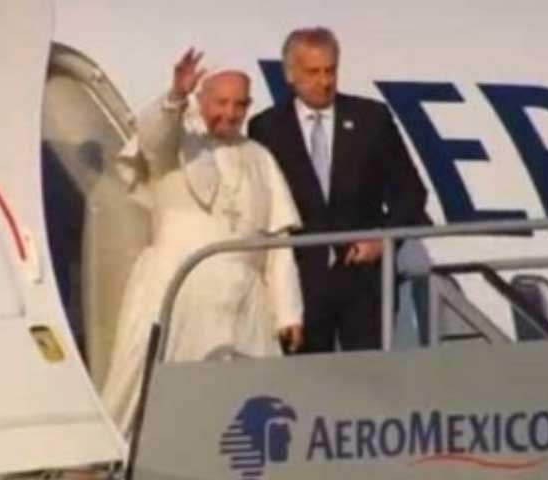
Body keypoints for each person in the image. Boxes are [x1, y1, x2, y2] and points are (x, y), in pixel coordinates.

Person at [101, 48, 304, 436]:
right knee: (143, 388)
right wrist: (175, 96)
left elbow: (278, 245)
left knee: (247, 402)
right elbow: (154, 135)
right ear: (201, 100)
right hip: (177, 290)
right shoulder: (178, 146)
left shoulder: (259, 157)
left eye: (239, 104)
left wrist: (288, 312)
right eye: (220, 102)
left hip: (244, 300)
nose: (229, 113)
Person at [248, 28, 430, 353]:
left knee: (371, 384)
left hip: (363, 280)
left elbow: (411, 193)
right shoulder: (267, 128)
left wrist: (383, 239)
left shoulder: (371, 119)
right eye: (313, 72)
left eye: (330, 70)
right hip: (302, 281)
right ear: (290, 74)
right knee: (304, 386)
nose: (324, 81)